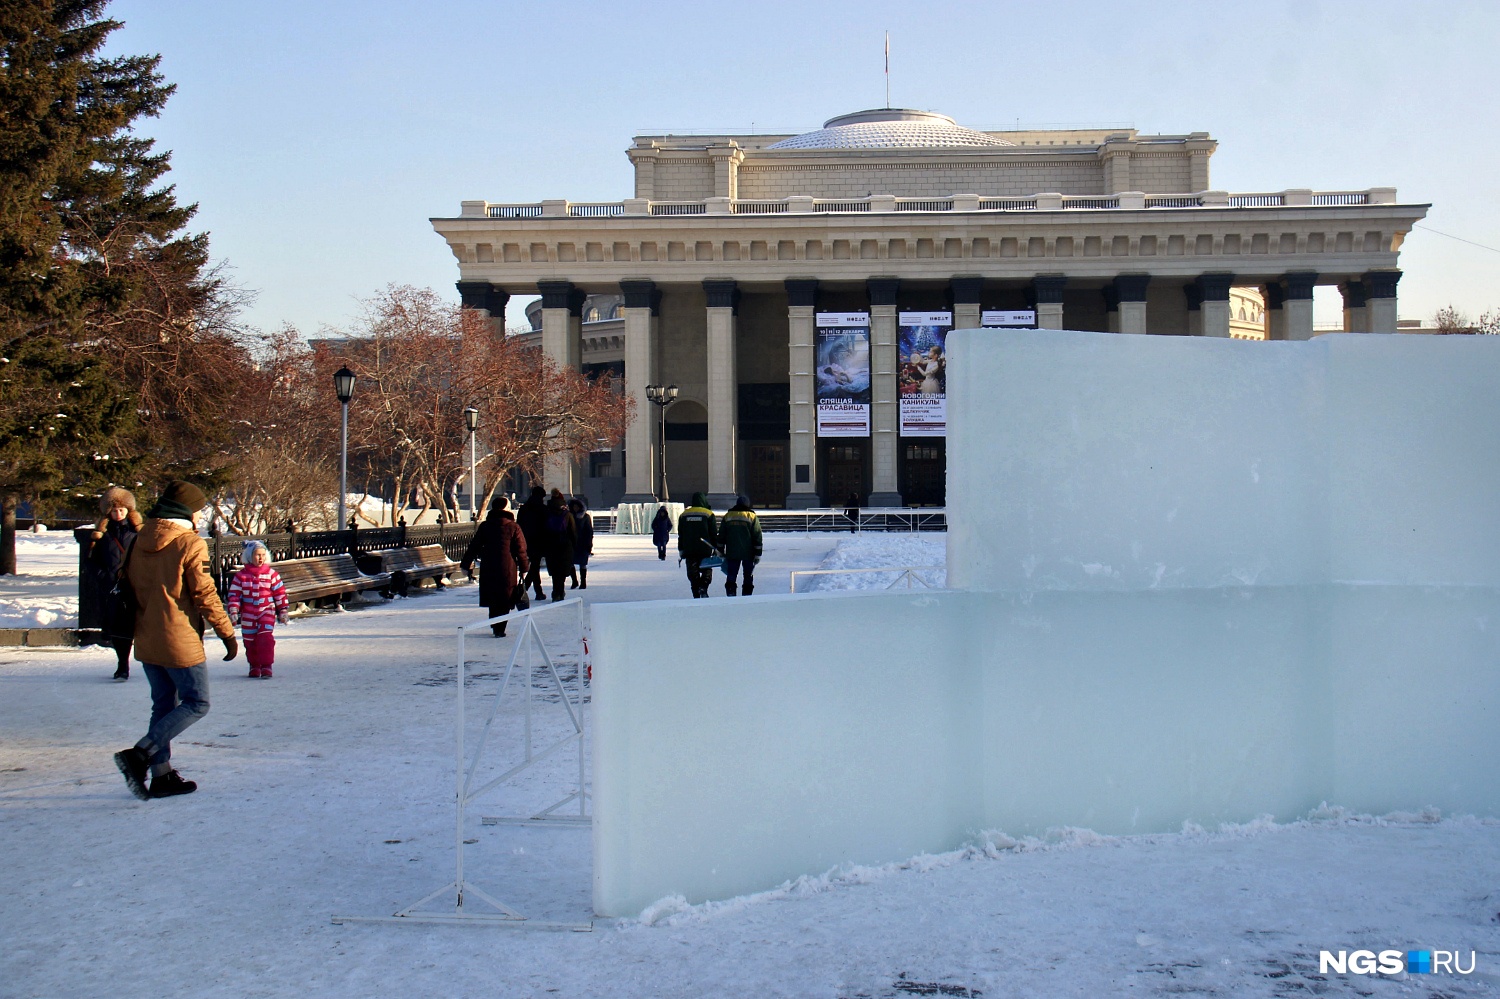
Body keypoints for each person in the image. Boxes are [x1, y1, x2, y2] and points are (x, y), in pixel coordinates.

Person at [113, 481, 237, 800]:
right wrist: (226, 632)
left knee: (163, 704)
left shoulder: (138, 538)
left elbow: (125, 581)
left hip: (146, 636)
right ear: (187, 511)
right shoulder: (189, 543)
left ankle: (161, 775)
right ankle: (140, 754)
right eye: (197, 509)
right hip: (178, 638)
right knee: (197, 702)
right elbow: (205, 593)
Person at [87, 486, 142, 681]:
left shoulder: (138, 533)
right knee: (118, 626)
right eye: (114, 510)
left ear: (128, 510)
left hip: (133, 585)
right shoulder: (102, 535)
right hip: (112, 587)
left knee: (137, 624)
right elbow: (92, 561)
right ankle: (122, 664)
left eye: (121, 510)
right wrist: (104, 576)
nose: (118, 513)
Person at [460, 497, 529, 636]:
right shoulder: (513, 526)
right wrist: (524, 568)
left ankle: (494, 622)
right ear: (505, 508)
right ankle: (500, 627)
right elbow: (520, 549)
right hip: (507, 566)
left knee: (493, 596)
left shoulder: (486, 525)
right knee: (505, 597)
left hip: (489, 565)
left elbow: (474, 546)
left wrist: (465, 564)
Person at [227, 540, 289, 678]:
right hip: (248, 612)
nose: (260, 558)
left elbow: (279, 593)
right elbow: (234, 595)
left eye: (263, 555)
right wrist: (234, 610)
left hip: (266, 609)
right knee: (250, 640)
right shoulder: (241, 576)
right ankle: (254, 665)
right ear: (249, 556)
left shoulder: (271, 574)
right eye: (257, 555)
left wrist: (283, 610)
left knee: (265, 637)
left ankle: (266, 665)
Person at [676, 492, 720, 599]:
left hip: (689, 549)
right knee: (706, 569)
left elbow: (680, 534)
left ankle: (695, 590)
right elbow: (713, 533)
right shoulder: (708, 514)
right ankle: (703, 587)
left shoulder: (684, 515)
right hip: (705, 548)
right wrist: (716, 547)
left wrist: (681, 548)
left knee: (692, 571)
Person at [720, 496, 763, 597]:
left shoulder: (728, 515)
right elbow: (757, 535)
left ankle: (731, 593)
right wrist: (758, 554)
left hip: (732, 552)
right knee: (748, 575)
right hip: (748, 552)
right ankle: (747, 595)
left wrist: (720, 550)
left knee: (731, 575)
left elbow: (722, 534)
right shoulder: (751, 516)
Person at [540, 489, 578, 602]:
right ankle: (560, 591)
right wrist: (573, 545)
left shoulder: (546, 512)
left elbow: (542, 530)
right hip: (565, 545)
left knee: (554, 570)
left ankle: (555, 591)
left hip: (550, 544)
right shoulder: (567, 514)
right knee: (562, 570)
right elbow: (573, 532)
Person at [516, 485, 549, 602]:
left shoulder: (524, 508)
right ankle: (524, 589)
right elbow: (546, 527)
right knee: (534, 567)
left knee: (534, 567)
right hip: (539, 542)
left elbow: (518, 525)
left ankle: (535, 591)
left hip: (525, 541)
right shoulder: (543, 509)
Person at [568, 497, 594, 589]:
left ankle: (583, 581)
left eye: (577, 507)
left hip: (583, 543)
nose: (575, 508)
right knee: (571, 563)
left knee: (582, 564)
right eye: (574, 507)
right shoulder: (569, 516)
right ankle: (574, 581)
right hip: (572, 543)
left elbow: (589, 531)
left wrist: (589, 544)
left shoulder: (585, 517)